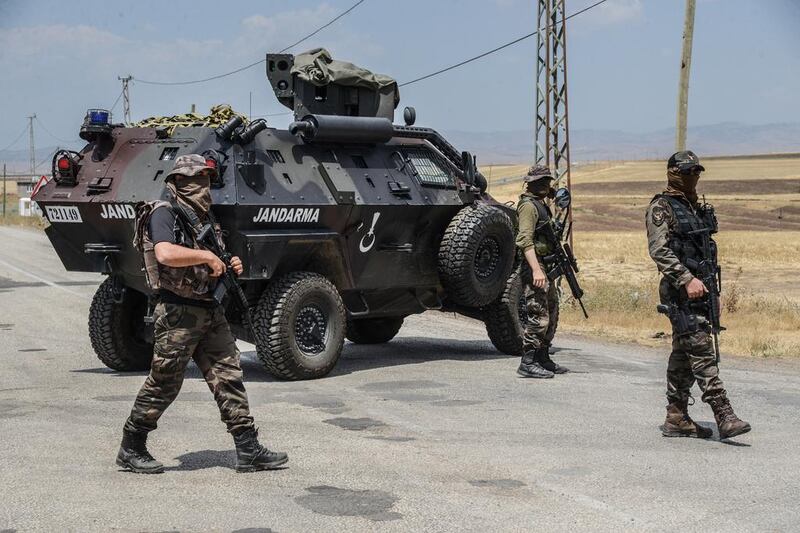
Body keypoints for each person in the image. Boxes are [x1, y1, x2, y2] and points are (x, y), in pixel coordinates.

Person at [117, 154, 288, 473]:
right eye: (197, 180)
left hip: (209, 309)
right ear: (179, 182)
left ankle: (247, 448)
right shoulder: (162, 212)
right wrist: (207, 257)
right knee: (165, 381)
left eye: (208, 180)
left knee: (229, 376)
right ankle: (132, 446)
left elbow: (212, 260)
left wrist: (228, 264)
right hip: (178, 312)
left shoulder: (205, 219)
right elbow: (165, 253)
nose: (203, 187)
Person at [645, 151, 750, 439]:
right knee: (701, 349)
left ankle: (676, 417)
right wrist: (685, 279)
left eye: (696, 172)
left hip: (703, 288)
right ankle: (723, 413)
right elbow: (659, 250)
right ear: (672, 173)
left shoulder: (696, 209)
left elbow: (705, 254)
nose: (693, 177)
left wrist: (713, 292)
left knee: (683, 353)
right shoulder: (661, 207)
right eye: (687, 172)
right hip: (680, 293)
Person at [515, 165, 569, 378]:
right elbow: (524, 240)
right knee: (539, 316)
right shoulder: (528, 206)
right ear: (533, 183)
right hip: (535, 269)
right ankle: (527, 362)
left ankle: (542, 357)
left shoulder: (541, 204)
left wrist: (559, 206)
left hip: (546, 268)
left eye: (548, 181)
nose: (547, 185)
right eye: (543, 181)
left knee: (552, 313)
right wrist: (536, 270)